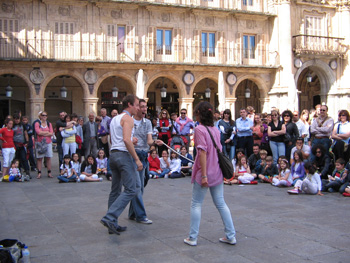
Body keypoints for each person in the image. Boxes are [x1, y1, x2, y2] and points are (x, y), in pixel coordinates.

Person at [184, 101, 236, 246]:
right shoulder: (215, 130)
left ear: (199, 114)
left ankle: (192, 237)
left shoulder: (199, 129)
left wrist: (204, 175)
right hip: (217, 171)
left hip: (205, 172)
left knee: (196, 204)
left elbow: (202, 152)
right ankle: (231, 235)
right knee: (221, 203)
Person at [100, 94, 142, 235]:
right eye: (136, 105)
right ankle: (110, 217)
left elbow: (117, 138)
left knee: (115, 190)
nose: (138, 108)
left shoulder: (114, 119)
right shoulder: (128, 118)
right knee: (132, 189)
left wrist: (131, 139)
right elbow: (125, 139)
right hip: (124, 156)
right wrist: (136, 159)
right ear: (129, 104)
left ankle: (112, 223)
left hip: (113, 155)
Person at [128, 98, 154, 224]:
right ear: (137, 108)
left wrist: (154, 142)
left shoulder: (147, 122)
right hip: (134, 155)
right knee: (138, 187)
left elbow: (149, 140)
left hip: (144, 155)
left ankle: (132, 212)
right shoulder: (130, 121)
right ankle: (141, 215)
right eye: (142, 106)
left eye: (146, 107)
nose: (144, 109)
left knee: (144, 182)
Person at [34, 111, 54, 179]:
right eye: (43, 115)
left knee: (48, 157)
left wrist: (43, 133)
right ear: (40, 116)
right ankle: (39, 172)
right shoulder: (37, 123)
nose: (44, 117)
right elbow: (38, 132)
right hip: (40, 142)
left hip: (48, 142)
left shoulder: (49, 123)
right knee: (39, 158)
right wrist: (46, 132)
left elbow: (51, 133)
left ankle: (49, 172)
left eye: (45, 115)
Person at [12, 113, 30, 178]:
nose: (17, 120)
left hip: (21, 144)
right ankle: (17, 171)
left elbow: (25, 133)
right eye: (15, 119)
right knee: (16, 158)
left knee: (24, 158)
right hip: (15, 144)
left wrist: (27, 141)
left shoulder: (22, 125)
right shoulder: (13, 126)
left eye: (18, 119)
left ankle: (27, 171)